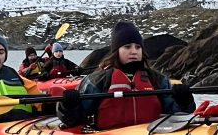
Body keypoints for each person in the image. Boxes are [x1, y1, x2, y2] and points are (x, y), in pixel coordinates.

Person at [57, 21, 195, 129]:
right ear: (117, 51)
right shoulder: (98, 80)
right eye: (127, 47)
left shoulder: (157, 80)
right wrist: (68, 106)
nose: (134, 51)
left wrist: (184, 101)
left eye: (138, 47)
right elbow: (74, 119)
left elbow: (178, 114)